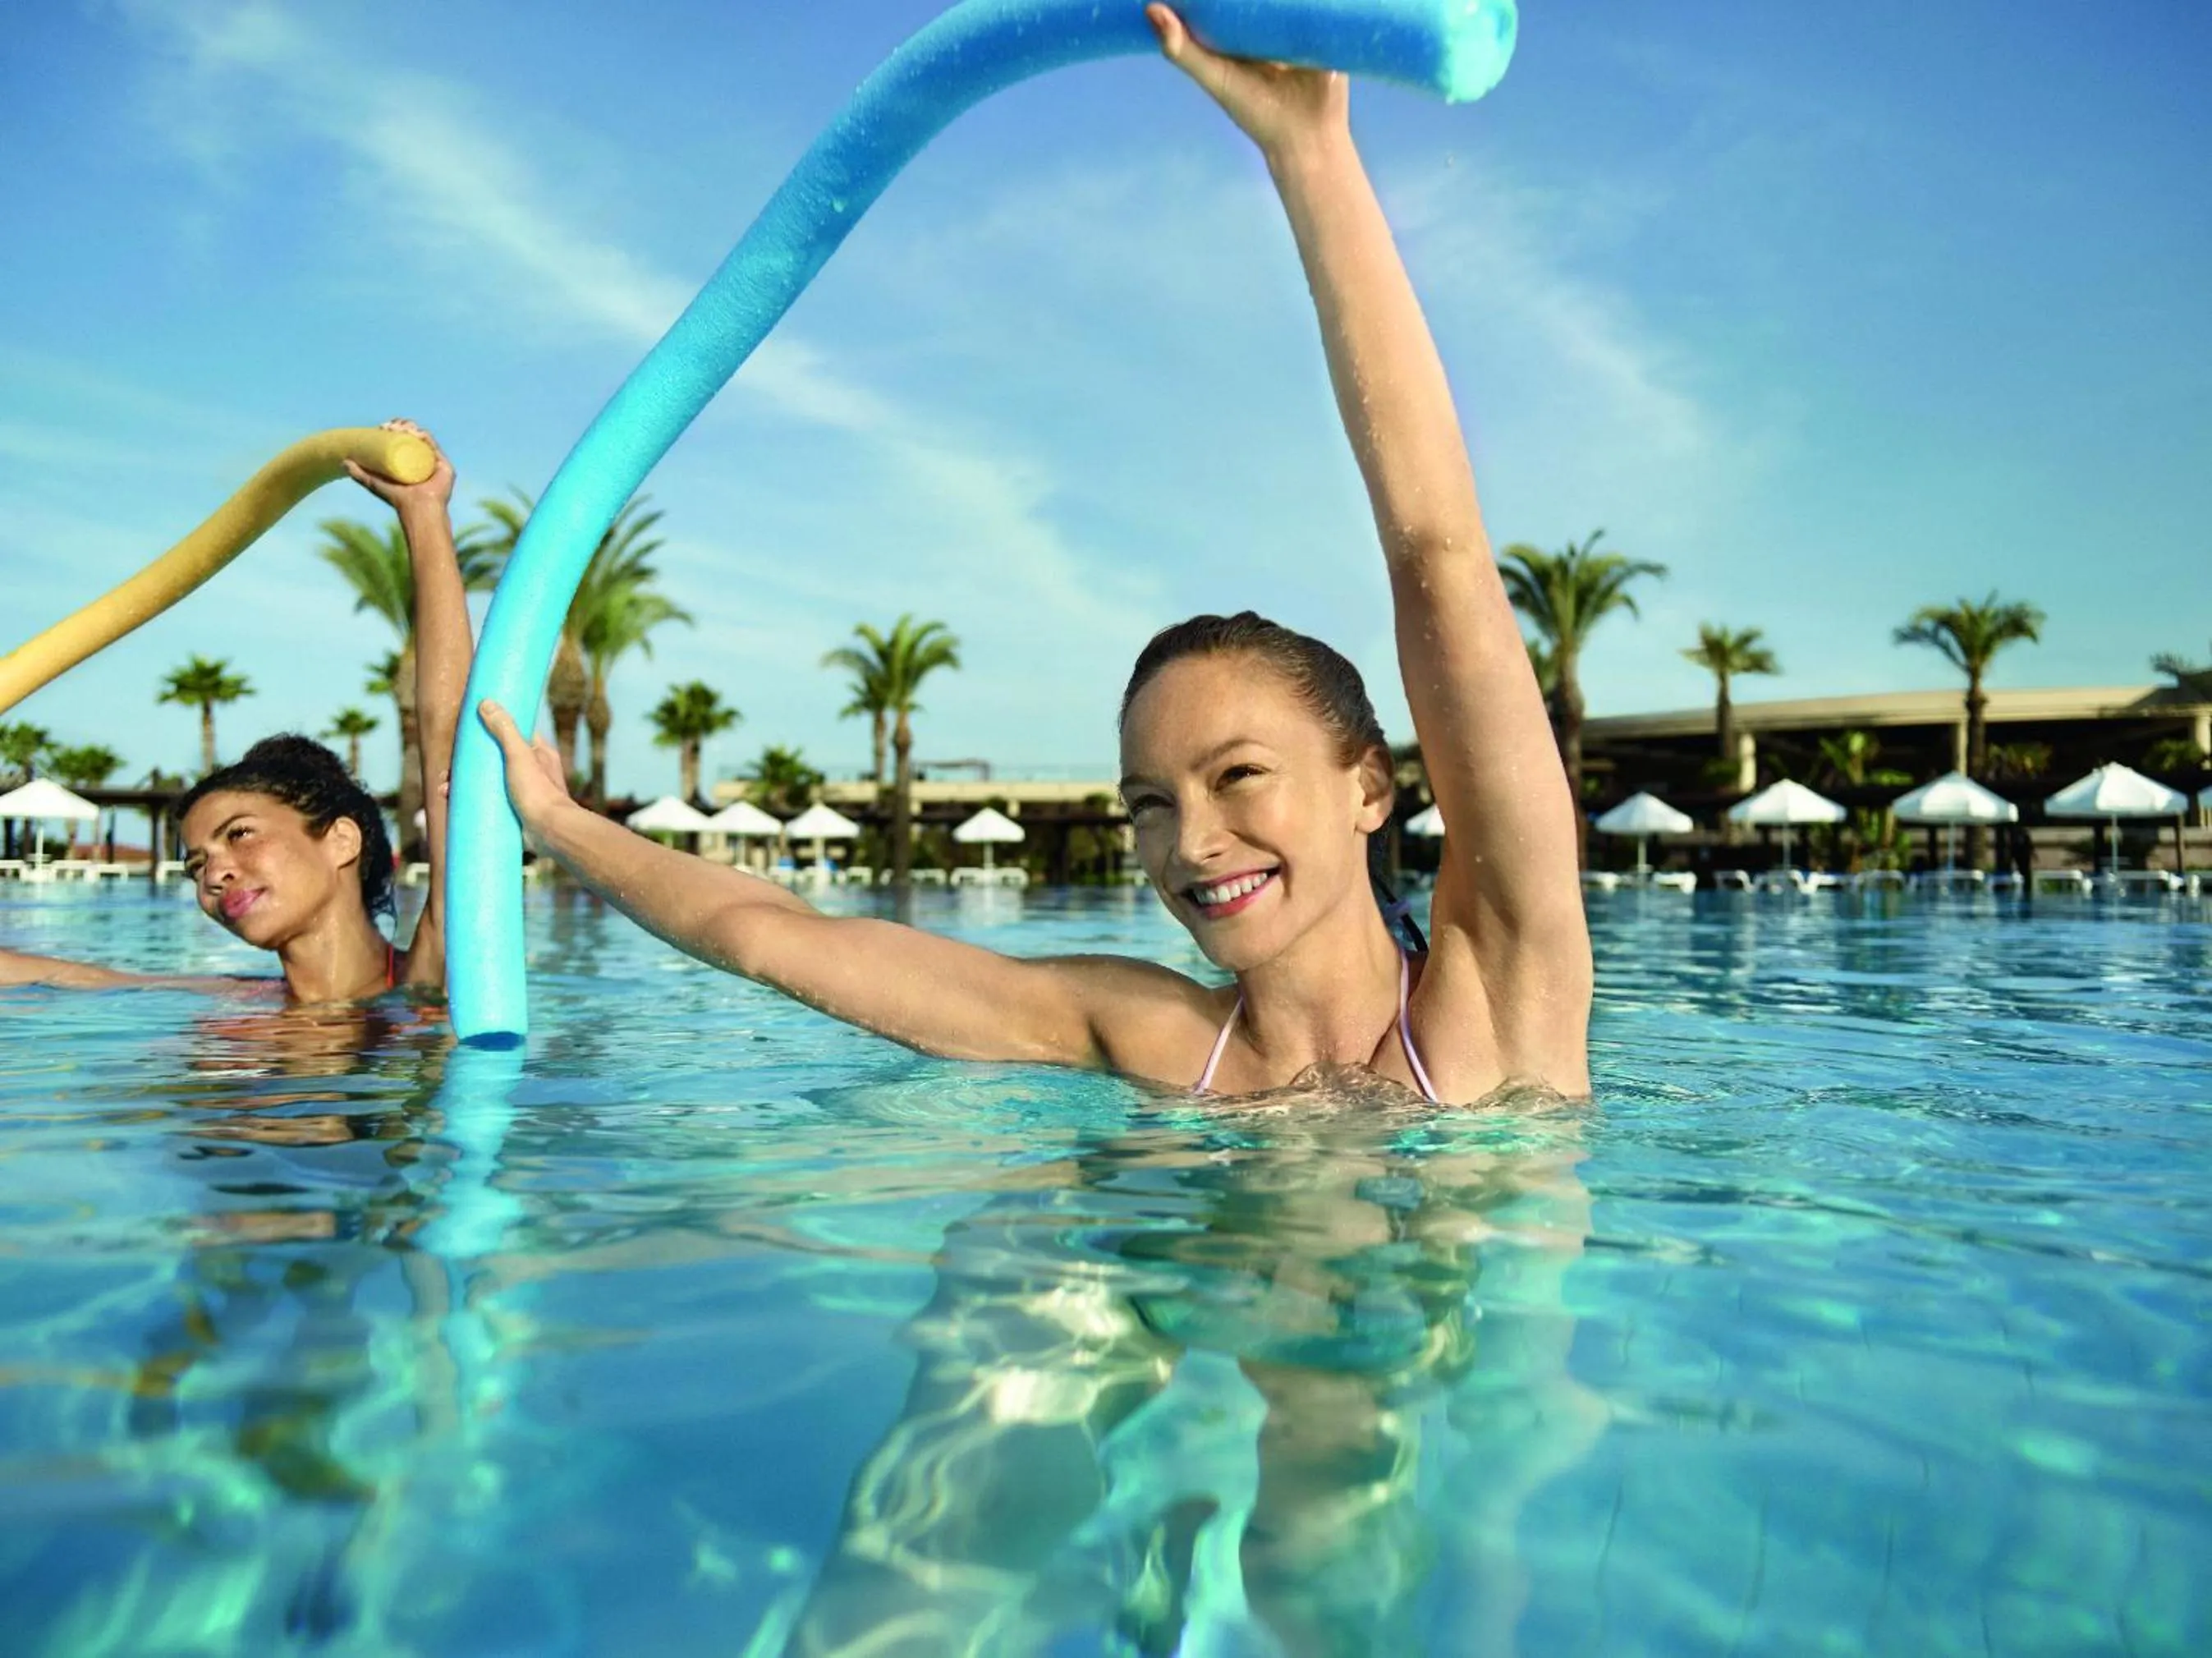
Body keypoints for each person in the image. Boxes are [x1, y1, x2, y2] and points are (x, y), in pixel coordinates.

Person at [480, 8, 1590, 1105]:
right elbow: (775, 937)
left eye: (1236, 773)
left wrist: (1310, 155)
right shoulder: (1144, 1035)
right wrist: (562, 823)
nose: (1191, 843)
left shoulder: (1494, 1008)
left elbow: (1436, 556)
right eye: (1149, 802)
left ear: (1366, 785)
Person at [0, 420, 474, 1004]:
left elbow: (448, 739)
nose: (213, 876)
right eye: (195, 865)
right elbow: (50, 974)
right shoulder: (233, 1001)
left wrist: (424, 513)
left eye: (239, 835)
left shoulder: (429, 979)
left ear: (342, 841)